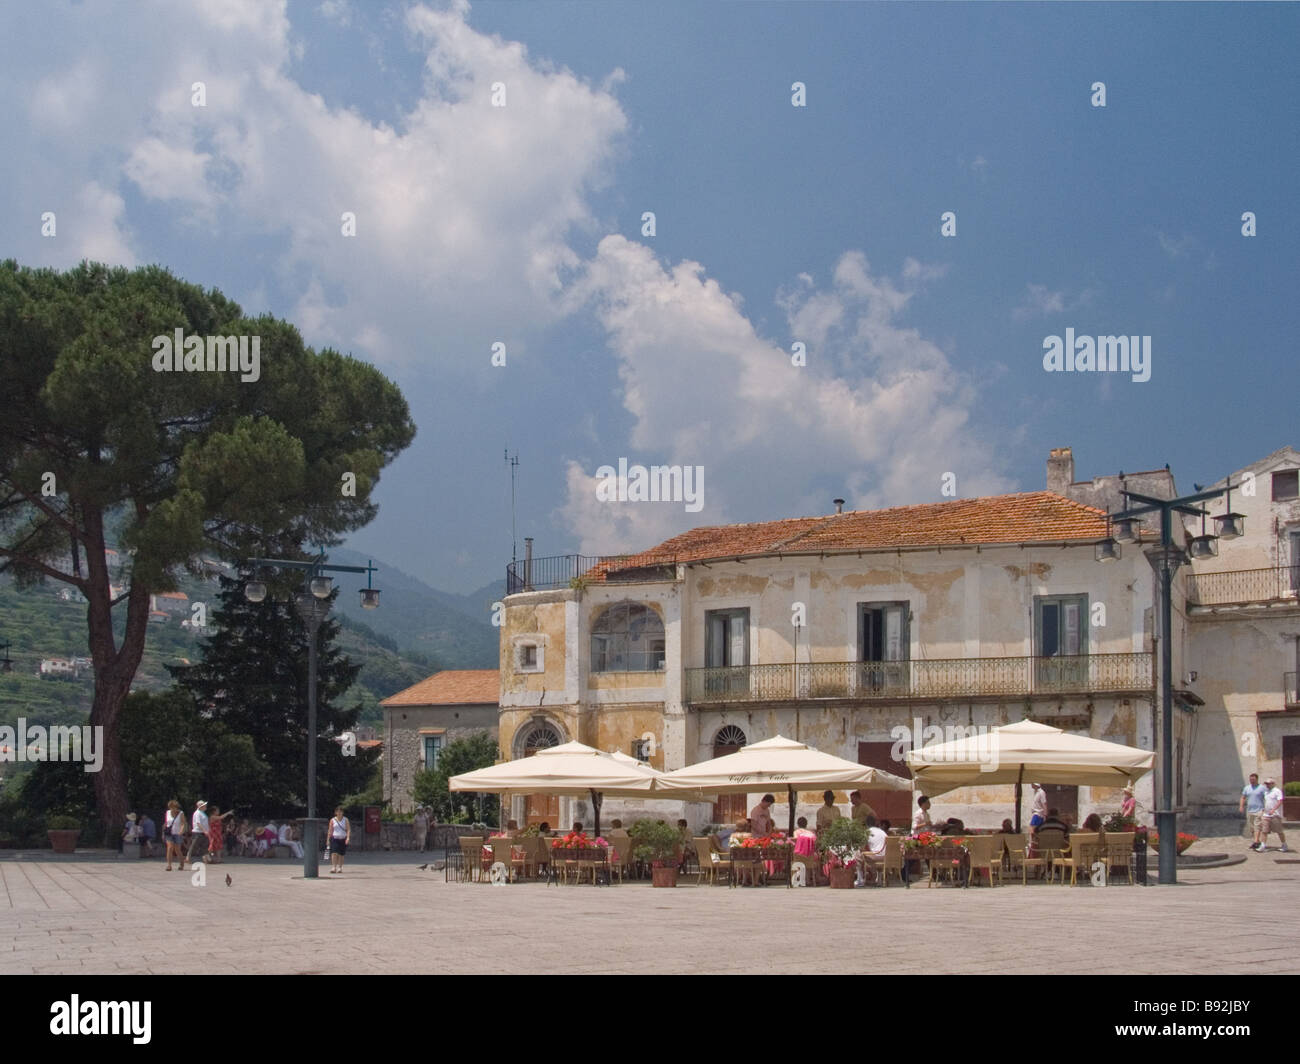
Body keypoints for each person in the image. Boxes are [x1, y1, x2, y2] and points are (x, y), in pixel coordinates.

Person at [1258, 777, 1289, 853]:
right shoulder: (1266, 792)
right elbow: (1266, 802)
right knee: (1264, 831)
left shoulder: (1277, 791)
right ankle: (1262, 846)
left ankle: (1284, 844)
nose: (1267, 785)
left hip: (1275, 815)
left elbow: (1280, 801)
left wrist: (1273, 810)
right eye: (1266, 784)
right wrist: (1263, 810)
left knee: (1279, 831)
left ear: (1273, 783)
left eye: (1268, 784)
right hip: (1266, 814)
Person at [1241, 773, 1267, 850]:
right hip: (1249, 810)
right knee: (1251, 828)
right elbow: (1243, 797)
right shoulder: (1247, 788)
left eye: (1253, 779)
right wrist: (1241, 806)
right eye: (1250, 779)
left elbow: (1266, 798)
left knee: (1257, 827)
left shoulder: (1262, 788)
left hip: (1259, 810)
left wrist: (1265, 808)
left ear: (1257, 779)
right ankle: (1257, 841)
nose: (1251, 781)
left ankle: (1255, 842)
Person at [163, 800, 186, 871]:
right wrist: (162, 833)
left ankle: (181, 864)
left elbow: (183, 823)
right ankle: (169, 865)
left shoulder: (180, 813)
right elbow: (166, 823)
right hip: (169, 833)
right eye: (172, 808)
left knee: (177, 850)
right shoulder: (167, 813)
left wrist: (181, 831)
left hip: (177, 833)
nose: (173, 809)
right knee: (170, 848)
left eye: (175, 808)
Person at [328, 806, 351, 873]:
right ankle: (333, 867)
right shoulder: (332, 820)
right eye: (337, 811)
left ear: (342, 812)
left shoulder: (345, 820)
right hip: (334, 838)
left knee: (341, 854)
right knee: (334, 853)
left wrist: (348, 837)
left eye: (340, 811)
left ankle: (340, 867)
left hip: (343, 838)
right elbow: (330, 830)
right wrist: (328, 839)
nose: (339, 813)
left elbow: (348, 829)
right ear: (335, 812)